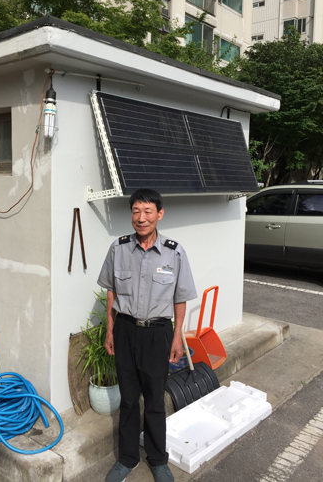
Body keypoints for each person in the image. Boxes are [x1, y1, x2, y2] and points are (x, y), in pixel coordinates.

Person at [97, 188, 197, 482]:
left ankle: (157, 459)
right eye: (136, 212)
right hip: (126, 331)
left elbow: (181, 298)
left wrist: (177, 337)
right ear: (131, 215)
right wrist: (110, 331)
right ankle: (127, 459)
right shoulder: (118, 248)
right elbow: (111, 292)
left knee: (154, 400)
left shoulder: (174, 252)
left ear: (159, 214)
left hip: (158, 334)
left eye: (147, 212)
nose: (141, 218)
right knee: (128, 399)